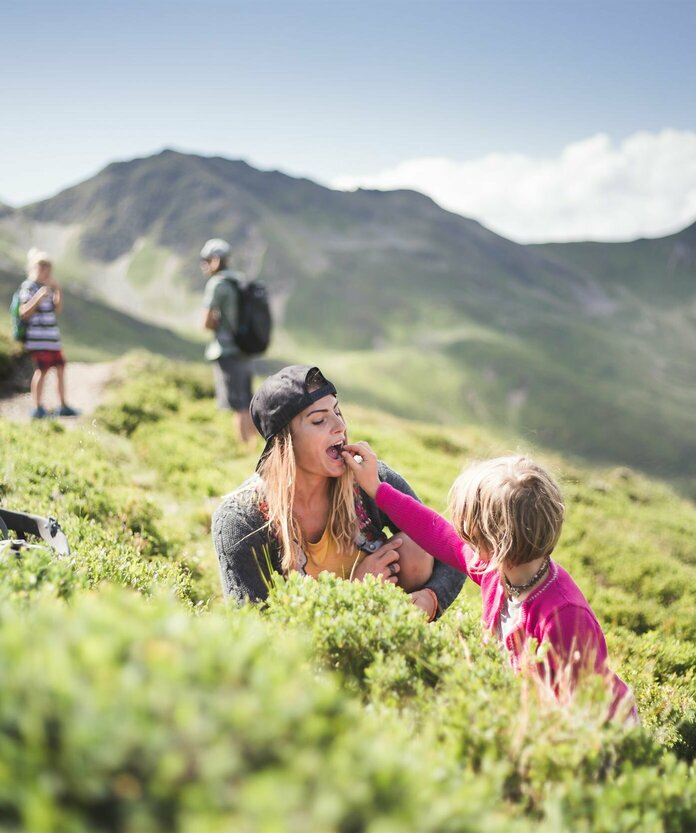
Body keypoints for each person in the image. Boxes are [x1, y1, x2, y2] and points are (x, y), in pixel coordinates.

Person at [343, 443, 636, 718]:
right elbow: (434, 531)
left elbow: (580, 711)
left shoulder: (564, 615)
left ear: (491, 542)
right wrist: (377, 489)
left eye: (468, 531)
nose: (460, 537)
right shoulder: (497, 569)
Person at [212, 365, 465, 619]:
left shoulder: (368, 479)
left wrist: (432, 598)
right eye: (319, 420)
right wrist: (353, 592)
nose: (339, 426)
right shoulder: (240, 519)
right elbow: (256, 627)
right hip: (306, 651)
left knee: (416, 547)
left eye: (337, 412)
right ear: (284, 442)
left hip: (382, 633)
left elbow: (452, 547)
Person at [200, 238, 255, 444]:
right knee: (248, 402)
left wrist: (218, 323)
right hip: (245, 348)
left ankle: (243, 448)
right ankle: (254, 446)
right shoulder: (238, 280)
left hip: (226, 350)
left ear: (215, 260)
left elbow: (206, 322)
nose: (203, 265)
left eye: (205, 260)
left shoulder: (217, 284)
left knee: (237, 404)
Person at [17, 248, 79, 420]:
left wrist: (57, 290)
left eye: (48, 269)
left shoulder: (48, 288)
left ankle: (63, 405)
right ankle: (37, 408)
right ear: (34, 268)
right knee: (42, 371)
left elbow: (57, 309)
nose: (45, 272)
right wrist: (38, 296)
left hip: (52, 338)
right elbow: (24, 312)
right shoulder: (28, 287)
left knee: (60, 368)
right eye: (42, 268)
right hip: (38, 340)